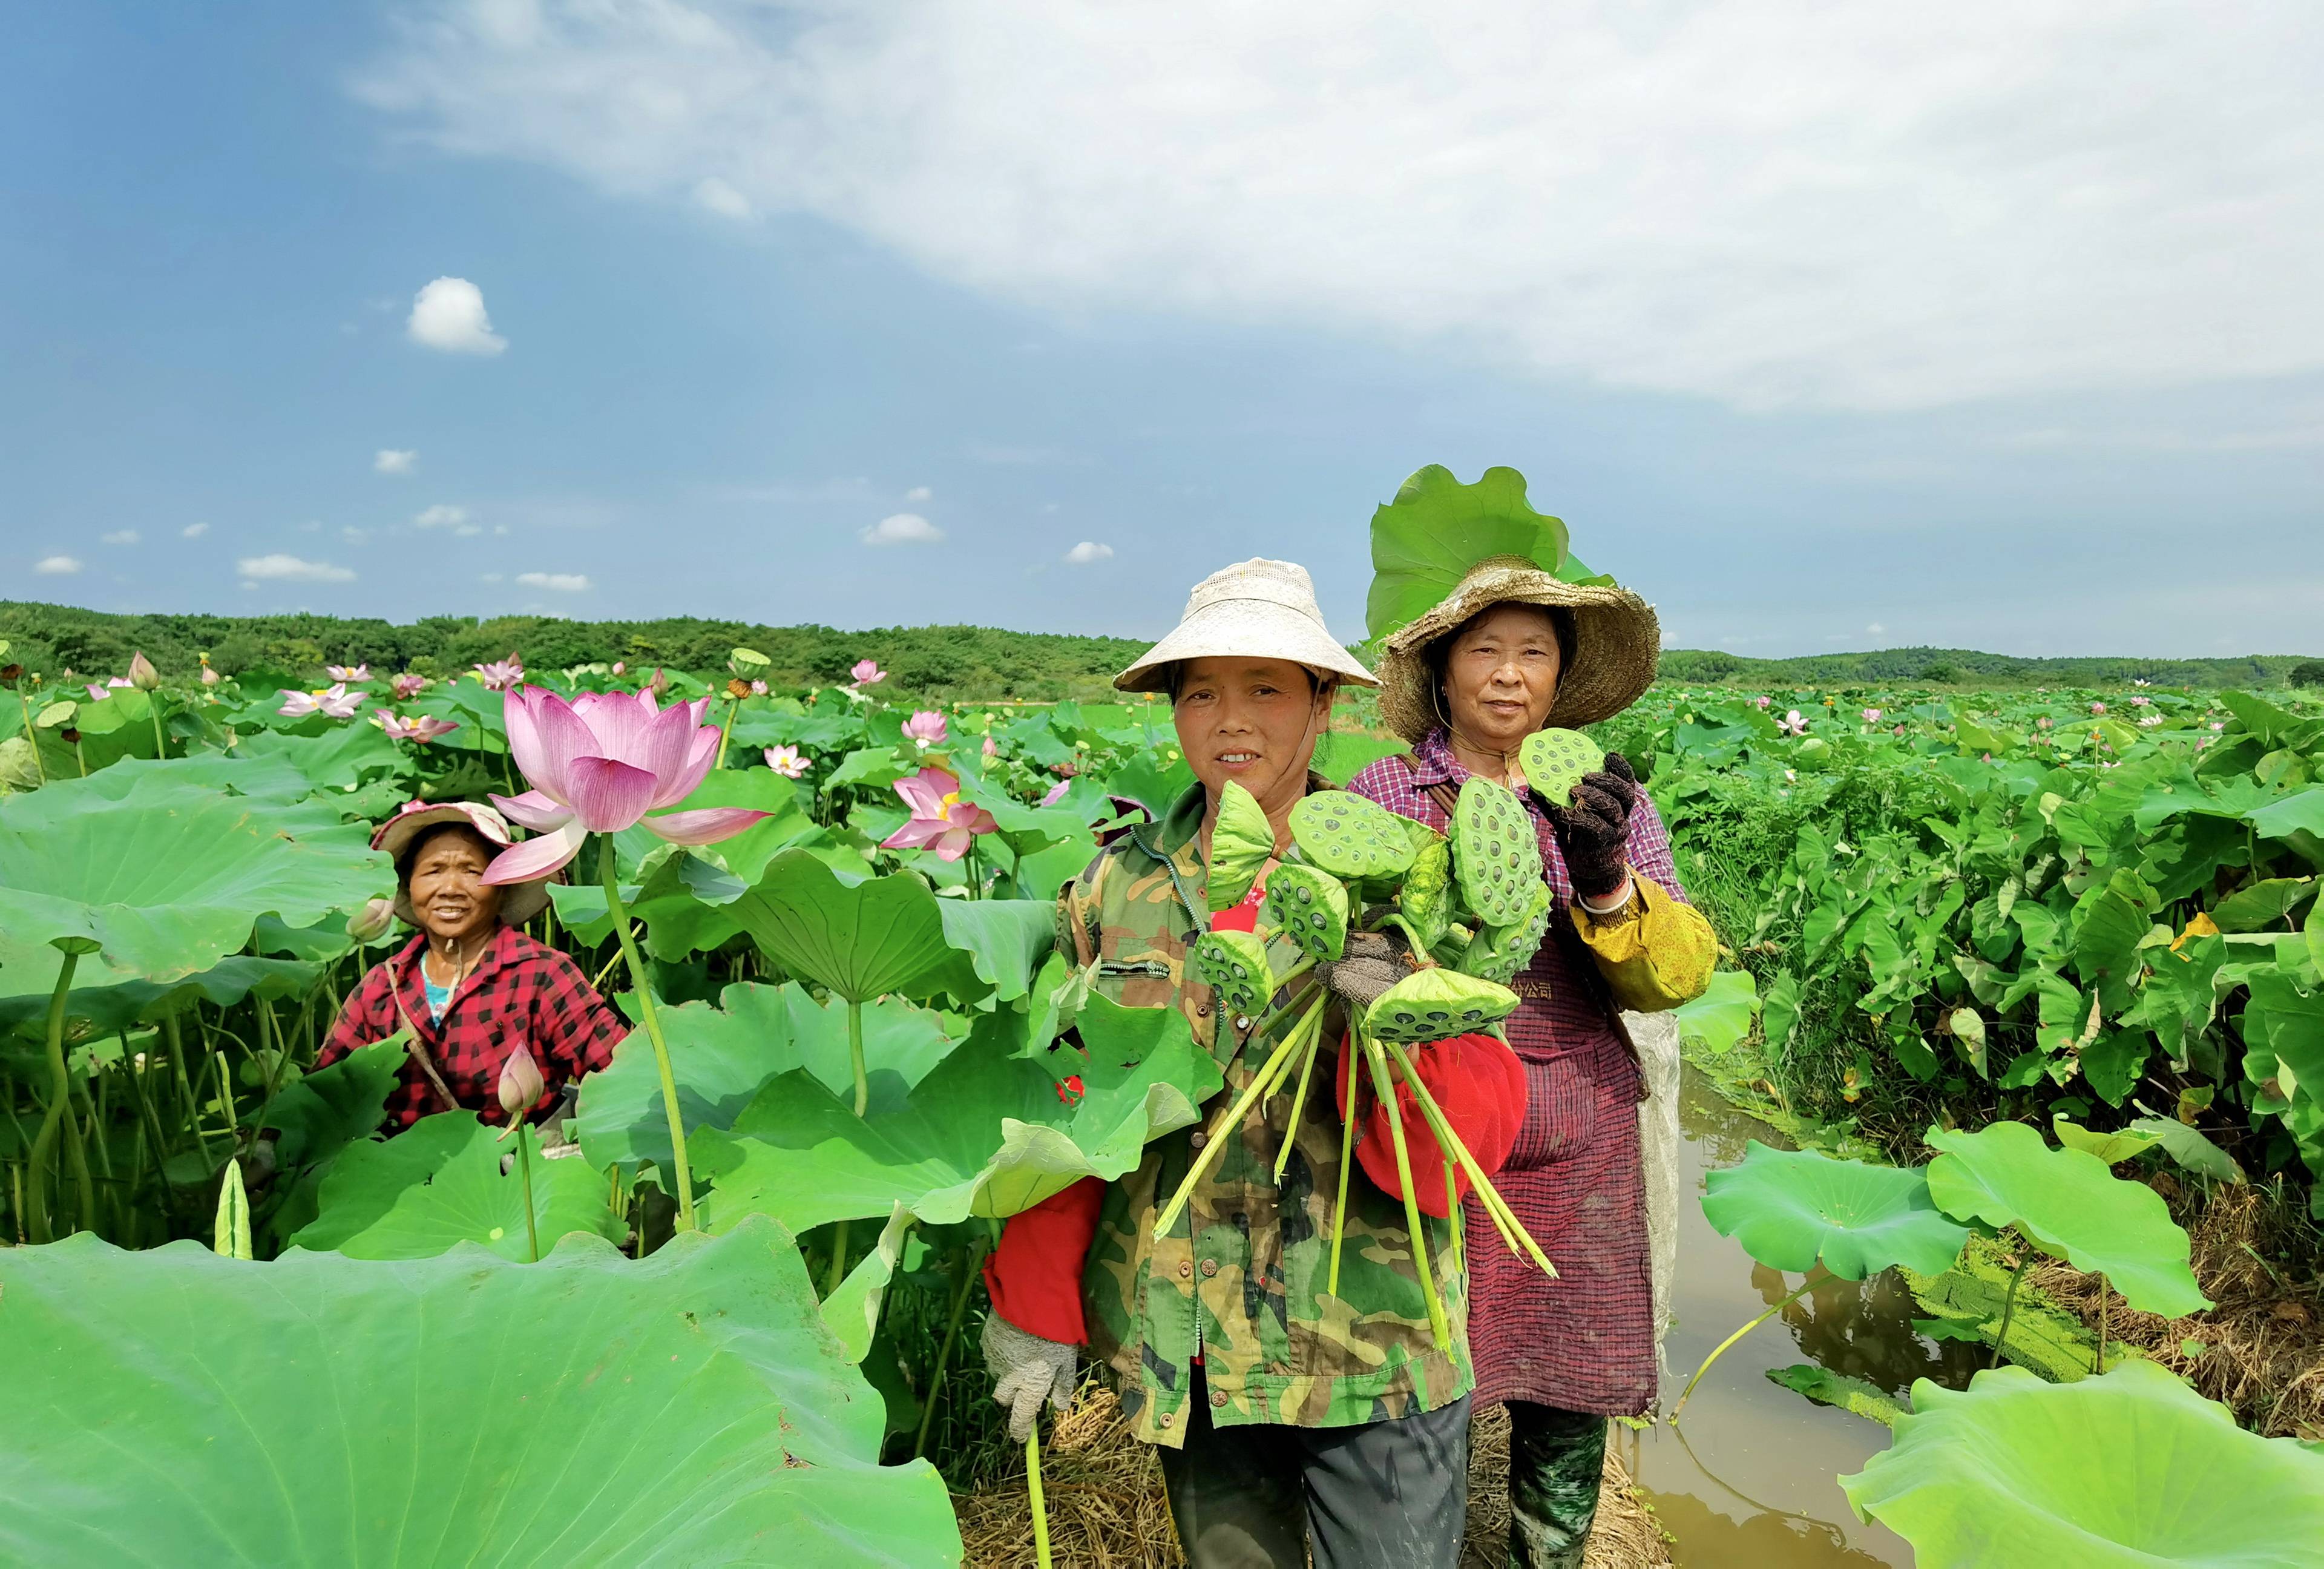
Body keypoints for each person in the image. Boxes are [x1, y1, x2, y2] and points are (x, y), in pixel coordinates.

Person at [980, 559, 1501, 1569]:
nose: (1233, 719)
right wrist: (1034, 1307)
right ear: (1172, 709)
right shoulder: (1113, 888)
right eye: (1204, 690)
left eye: (1265, 687)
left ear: (1324, 705)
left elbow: (1470, 1137)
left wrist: (1395, 1013)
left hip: (1374, 1342)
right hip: (1194, 1340)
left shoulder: (1403, 874)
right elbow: (1071, 1101)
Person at [1347, 556, 1715, 1569]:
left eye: (1534, 654)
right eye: (1487, 651)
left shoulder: (1605, 796)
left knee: (1573, 1371)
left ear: (1560, 678)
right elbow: (1349, 944)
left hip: (1584, 1121)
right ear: (1444, 671)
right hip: (1438, 1122)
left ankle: (1546, 1556)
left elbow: (1678, 973)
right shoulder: (1388, 789)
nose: (1510, 675)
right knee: (1428, 1365)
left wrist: (1604, 884)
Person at [318, 800, 626, 1130]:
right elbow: (322, 1095)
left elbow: (622, 1074)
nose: (450, 889)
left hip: (523, 1169)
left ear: (503, 889)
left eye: (471, 871)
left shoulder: (542, 974)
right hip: (398, 1172)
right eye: (434, 871)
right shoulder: (381, 988)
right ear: (409, 885)